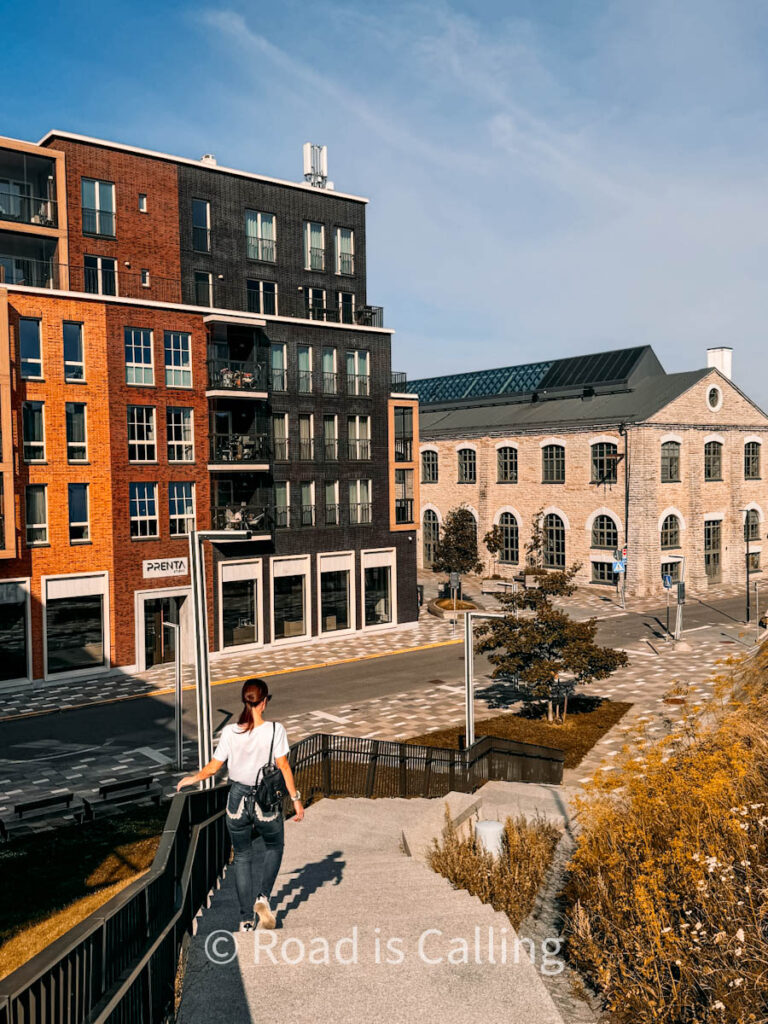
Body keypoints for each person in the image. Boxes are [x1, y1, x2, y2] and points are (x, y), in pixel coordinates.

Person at [176, 678, 304, 932]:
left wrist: (191, 779)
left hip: (236, 800)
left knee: (243, 857)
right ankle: (262, 897)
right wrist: (296, 799)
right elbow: (284, 767)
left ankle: (246, 919)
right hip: (264, 801)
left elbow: (214, 768)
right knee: (274, 846)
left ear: (245, 701)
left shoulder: (230, 733)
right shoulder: (275, 730)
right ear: (264, 701)